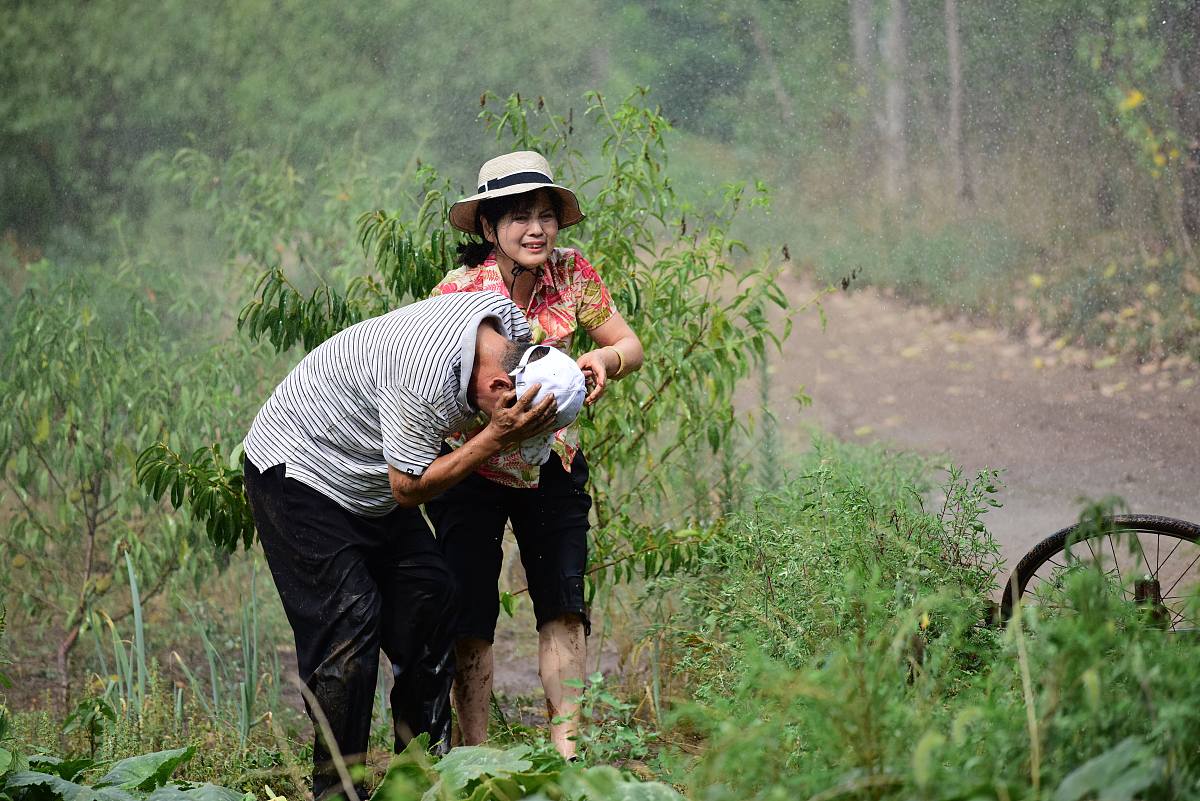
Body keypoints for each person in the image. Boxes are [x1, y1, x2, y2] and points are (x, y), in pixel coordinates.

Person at [241, 290, 568, 801]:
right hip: (300, 473)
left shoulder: (506, 325)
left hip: (367, 478)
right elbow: (408, 486)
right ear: (503, 384)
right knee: (349, 628)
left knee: (432, 601)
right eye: (505, 411)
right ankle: (338, 792)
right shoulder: (423, 381)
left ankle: (420, 783)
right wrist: (493, 439)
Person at [426, 150, 644, 759]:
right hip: (471, 464)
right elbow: (430, 387)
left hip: (555, 462)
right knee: (469, 615)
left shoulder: (574, 274)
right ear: (489, 227)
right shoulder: (456, 294)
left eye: (545, 214)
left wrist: (604, 359)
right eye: (519, 215)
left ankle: (567, 759)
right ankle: (473, 759)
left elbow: (630, 343)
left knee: (563, 607)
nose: (536, 229)